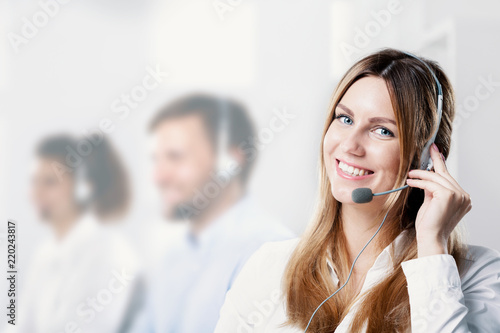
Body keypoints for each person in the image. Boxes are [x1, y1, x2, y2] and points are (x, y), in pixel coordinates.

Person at [214, 49, 500, 332]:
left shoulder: (478, 275)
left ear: (425, 157)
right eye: (345, 119)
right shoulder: (269, 267)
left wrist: (433, 247)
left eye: (382, 130)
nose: (350, 145)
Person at [141, 93, 294, 333]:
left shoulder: (272, 253)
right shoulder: (172, 257)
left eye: (175, 157)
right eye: (156, 160)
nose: (159, 177)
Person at [14, 134, 141, 333]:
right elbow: (22, 326)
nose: (36, 193)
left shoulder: (111, 252)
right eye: (34, 181)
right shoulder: (45, 253)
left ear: (82, 189)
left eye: (49, 182)